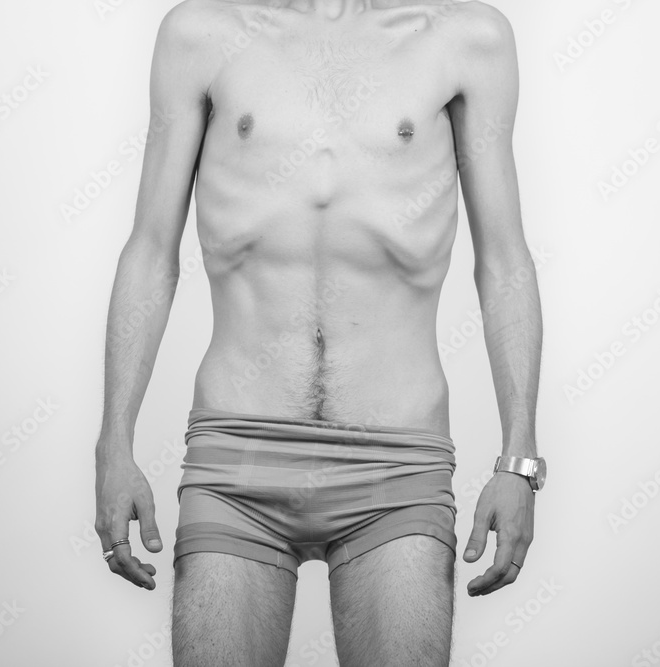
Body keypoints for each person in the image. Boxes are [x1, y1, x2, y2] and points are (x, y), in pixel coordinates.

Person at [94, 0, 544, 664]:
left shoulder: (467, 39)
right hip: (237, 453)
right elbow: (150, 250)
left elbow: (504, 262)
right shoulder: (201, 34)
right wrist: (114, 443)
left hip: (398, 459)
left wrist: (519, 460)